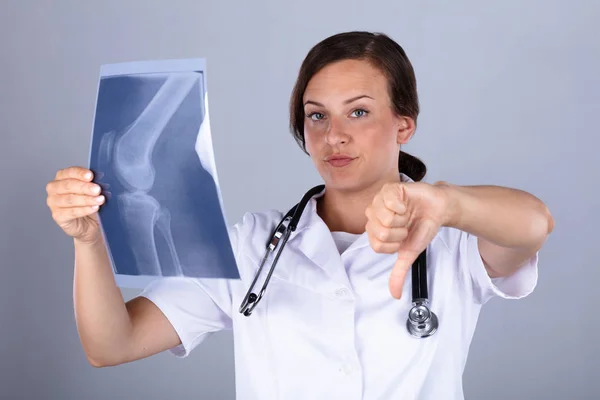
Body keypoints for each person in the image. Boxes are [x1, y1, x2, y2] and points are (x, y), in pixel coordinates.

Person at [45, 31, 554, 400]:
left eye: (358, 111)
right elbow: (112, 344)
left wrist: (444, 203)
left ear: (404, 125)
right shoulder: (254, 244)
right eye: (316, 115)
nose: (334, 135)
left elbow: (534, 224)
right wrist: (88, 240)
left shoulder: (455, 241)